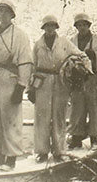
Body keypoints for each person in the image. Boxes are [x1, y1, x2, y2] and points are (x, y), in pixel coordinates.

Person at [30, 15, 89, 162]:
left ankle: (59, 150)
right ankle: (42, 151)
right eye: (47, 26)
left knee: (59, 116)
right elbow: (32, 66)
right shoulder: (38, 44)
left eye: (52, 26)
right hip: (42, 82)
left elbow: (81, 55)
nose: (50, 29)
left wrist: (79, 68)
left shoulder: (64, 42)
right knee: (41, 117)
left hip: (60, 82)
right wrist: (30, 87)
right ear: (43, 28)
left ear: (56, 27)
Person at [0, 0, 32, 170]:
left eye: (6, 11)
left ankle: (11, 158)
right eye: (0, 11)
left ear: (12, 15)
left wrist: (21, 86)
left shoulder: (19, 35)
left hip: (10, 79)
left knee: (10, 118)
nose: (3, 15)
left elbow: (25, 61)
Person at [68, 12, 97, 150]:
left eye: (84, 25)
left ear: (89, 26)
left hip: (94, 78)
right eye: (79, 25)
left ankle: (94, 138)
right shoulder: (72, 41)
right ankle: (76, 138)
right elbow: (66, 58)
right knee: (77, 108)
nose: (82, 28)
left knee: (94, 107)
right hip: (78, 78)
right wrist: (73, 67)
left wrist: (95, 55)